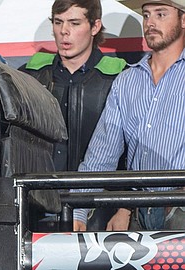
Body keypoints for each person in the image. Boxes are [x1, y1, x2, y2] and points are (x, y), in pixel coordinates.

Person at [74, 0, 185, 233]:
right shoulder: (126, 82)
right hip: (137, 210)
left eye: (161, 14)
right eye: (146, 15)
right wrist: (79, 211)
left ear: (183, 20)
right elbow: (101, 155)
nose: (151, 23)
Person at [23, 0, 126, 176]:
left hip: (99, 197)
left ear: (95, 27)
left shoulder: (120, 77)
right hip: (38, 196)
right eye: (58, 22)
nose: (64, 31)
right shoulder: (31, 75)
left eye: (74, 23)